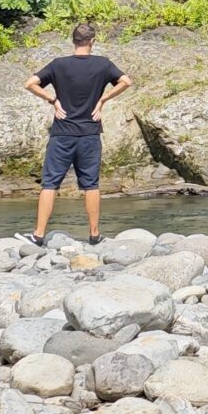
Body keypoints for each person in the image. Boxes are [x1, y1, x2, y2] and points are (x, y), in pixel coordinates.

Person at [22, 22, 129, 247]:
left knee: (50, 183)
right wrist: (103, 100)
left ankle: (38, 235)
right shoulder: (102, 64)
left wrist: (52, 100)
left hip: (62, 133)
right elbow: (126, 81)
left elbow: (30, 83)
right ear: (92, 41)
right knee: (90, 184)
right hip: (90, 132)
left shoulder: (59, 64)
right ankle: (94, 235)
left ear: (73, 41)